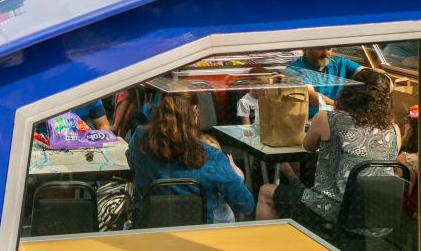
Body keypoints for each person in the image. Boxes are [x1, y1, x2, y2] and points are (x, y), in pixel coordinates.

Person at [256, 69, 400, 229]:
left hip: (335, 213)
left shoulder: (327, 118)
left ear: (349, 92)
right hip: (379, 218)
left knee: (265, 192)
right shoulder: (394, 129)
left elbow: (308, 146)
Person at [126, 94, 254, 225]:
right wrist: (236, 177)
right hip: (198, 238)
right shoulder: (213, 158)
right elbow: (246, 205)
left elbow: (132, 162)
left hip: (147, 233)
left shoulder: (140, 138)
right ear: (196, 111)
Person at [287, 47, 364, 118]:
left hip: (338, 117)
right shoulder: (294, 69)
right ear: (305, 48)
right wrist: (342, 109)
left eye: (329, 48)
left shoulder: (340, 63)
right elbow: (311, 95)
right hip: (309, 122)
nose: (326, 53)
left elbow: (368, 73)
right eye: (320, 48)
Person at [396, 104, 419, 221]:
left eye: (407, 122)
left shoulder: (404, 159)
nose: (404, 125)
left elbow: (398, 197)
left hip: (405, 219)